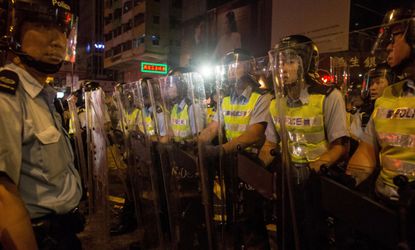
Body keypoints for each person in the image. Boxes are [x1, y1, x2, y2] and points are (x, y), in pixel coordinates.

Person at [0, 0, 83, 249]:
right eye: (42, 26)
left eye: (61, 30)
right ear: (13, 31)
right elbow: (3, 196)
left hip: (63, 235)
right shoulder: (7, 96)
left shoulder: (41, 95)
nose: (57, 40)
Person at [260, 35, 349, 250]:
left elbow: (340, 145)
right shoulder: (275, 102)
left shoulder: (328, 96)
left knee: (313, 239)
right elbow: (269, 145)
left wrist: (317, 166)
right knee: (286, 235)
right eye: (279, 62)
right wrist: (266, 164)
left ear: (306, 64)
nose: (282, 68)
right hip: (286, 180)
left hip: (316, 182)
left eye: (290, 61)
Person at [199, 48, 272, 249]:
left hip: (252, 163)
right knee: (233, 213)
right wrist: (199, 142)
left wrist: (222, 149)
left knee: (252, 216)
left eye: (236, 65)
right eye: (228, 67)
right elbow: (214, 126)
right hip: (231, 162)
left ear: (249, 67)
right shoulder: (226, 98)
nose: (230, 70)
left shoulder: (262, 97)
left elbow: (256, 132)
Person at [347, 6, 415, 201]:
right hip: (384, 208)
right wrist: (349, 181)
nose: (388, 46)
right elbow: (368, 151)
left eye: (394, 38)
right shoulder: (387, 96)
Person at [349, 64, 393, 141]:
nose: (372, 88)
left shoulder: (401, 111)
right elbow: (355, 142)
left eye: (378, 82)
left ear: (391, 84)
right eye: (371, 83)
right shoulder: (363, 114)